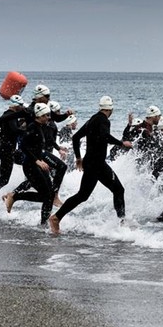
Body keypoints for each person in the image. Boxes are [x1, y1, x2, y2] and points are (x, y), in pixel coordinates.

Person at [48, 96, 132, 235]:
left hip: (90, 162)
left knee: (83, 195)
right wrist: (122, 143)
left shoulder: (92, 119)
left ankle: (56, 217)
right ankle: (122, 223)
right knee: (118, 190)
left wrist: (79, 158)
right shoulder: (104, 120)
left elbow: (75, 137)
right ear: (111, 109)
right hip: (97, 164)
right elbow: (105, 136)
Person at [2, 103, 55, 225]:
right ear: (40, 115)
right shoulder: (32, 127)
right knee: (47, 196)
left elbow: (36, 148)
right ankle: (44, 223)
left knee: (49, 194)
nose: (48, 117)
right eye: (46, 115)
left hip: (36, 165)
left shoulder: (40, 126)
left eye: (49, 115)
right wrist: (37, 161)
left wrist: (42, 161)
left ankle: (45, 222)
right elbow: (23, 146)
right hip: (30, 166)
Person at [0, 95, 26, 197]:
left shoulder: (8, 115)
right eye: (21, 105)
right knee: (4, 179)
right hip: (7, 150)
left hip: (8, 149)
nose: (22, 107)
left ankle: (29, 183)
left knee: (29, 164)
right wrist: (27, 131)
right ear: (15, 106)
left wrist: (3, 136)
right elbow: (15, 130)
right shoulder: (10, 115)